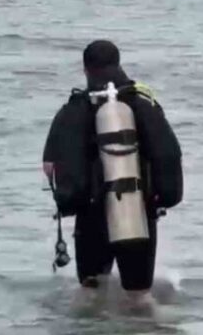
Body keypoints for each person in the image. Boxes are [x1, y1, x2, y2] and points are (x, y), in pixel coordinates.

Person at [42, 40, 182, 298]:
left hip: (91, 218)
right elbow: (168, 152)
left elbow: (50, 167)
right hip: (138, 214)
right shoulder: (143, 103)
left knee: (91, 292)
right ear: (119, 64)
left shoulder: (72, 109)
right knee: (139, 296)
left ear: (86, 70)